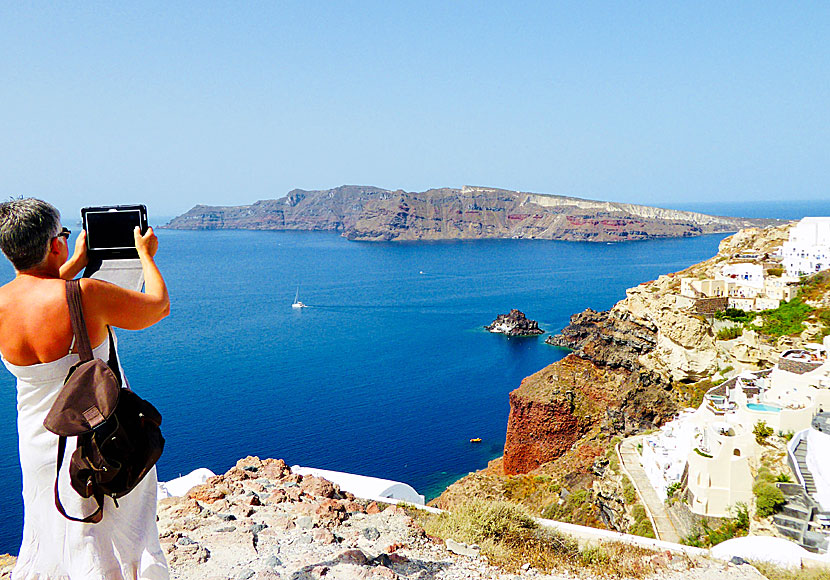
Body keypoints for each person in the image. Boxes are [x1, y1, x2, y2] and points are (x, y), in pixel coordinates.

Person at [0, 198, 170, 579]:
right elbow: (158, 306)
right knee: (120, 533)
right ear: (54, 245)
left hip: (39, 440)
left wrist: (71, 263)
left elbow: (38, 293)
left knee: (56, 531)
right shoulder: (86, 294)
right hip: (99, 439)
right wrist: (147, 255)